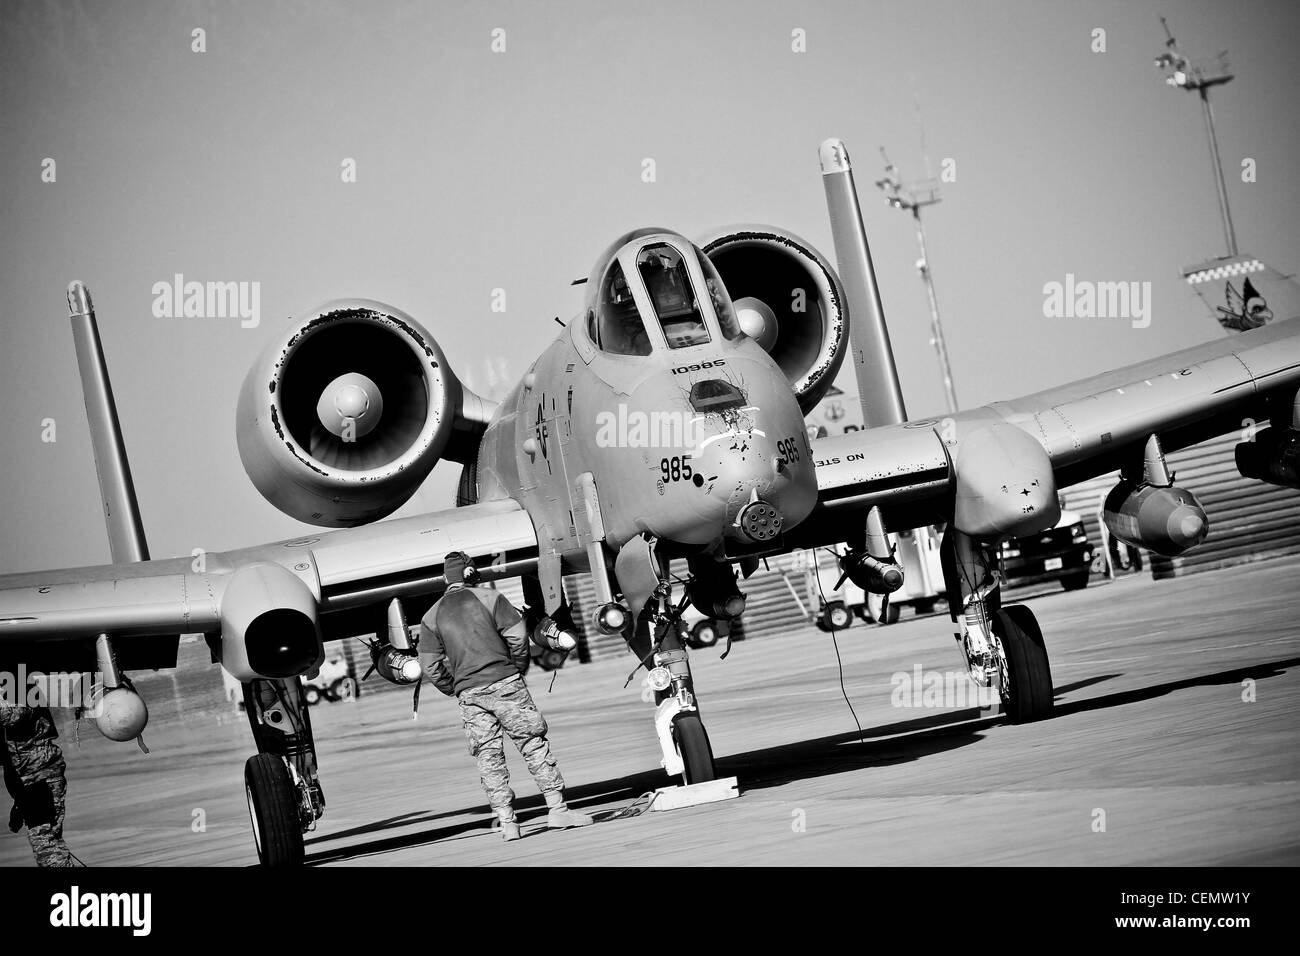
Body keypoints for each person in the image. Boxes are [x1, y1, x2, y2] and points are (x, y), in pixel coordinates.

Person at [420, 552, 592, 841]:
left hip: (469, 693)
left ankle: (508, 823)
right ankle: (557, 810)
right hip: (505, 682)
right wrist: (518, 666)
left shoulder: (430, 616)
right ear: (471, 573)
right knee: (532, 743)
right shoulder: (490, 599)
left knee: (488, 757)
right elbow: (517, 636)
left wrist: (454, 686)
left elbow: (429, 665)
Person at [1, 703, 74, 867]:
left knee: (46, 846)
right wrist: (19, 801)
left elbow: (11, 716)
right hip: (30, 780)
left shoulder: (17, 683)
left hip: (40, 775)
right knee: (46, 844)